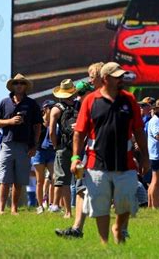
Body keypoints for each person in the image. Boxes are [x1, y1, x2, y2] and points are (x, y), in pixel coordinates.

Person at [71, 62, 149, 244]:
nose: (121, 80)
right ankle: (105, 243)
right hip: (96, 163)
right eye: (117, 77)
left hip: (126, 163)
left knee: (126, 201)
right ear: (106, 79)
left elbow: (138, 130)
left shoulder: (129, 100)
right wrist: (75, 157)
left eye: (122, 76)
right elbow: (79, 132)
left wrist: (145, 158)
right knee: (100, 205)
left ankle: (119, 226)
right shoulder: (91, 100)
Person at [55, 63, 103, 239]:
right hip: (89, 151)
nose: (90, 79)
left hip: (107, 152)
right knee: (81, 187)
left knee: (114, 189)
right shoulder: (90, 100)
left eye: (92, 76)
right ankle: (77, 229)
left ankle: (120, 229)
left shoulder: (110, 98)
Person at [0, 74, 42, 215]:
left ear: (25, 86)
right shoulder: (4, 102)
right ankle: (1, 208)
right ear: (12, 86)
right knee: (4, 178)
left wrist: (35, 145)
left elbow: (37, 126)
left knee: (19, 179)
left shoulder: (31, 104)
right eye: (16, 83)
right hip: (7, 144)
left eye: (21, 83)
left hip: (25, 145)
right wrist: (10, 121)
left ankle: (14, 208)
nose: (19, 85)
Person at [48, 79, 78, 218]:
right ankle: (83, 210)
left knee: (64, 180)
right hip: (79, 147)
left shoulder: (56, 108)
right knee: (81, 179)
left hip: (63, 147)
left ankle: (68, 212)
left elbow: (52, 131)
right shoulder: (81, 106)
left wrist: (55, 145)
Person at [31, 99, 56, 214]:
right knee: (40, 180)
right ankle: (40, 205)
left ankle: (52, 204)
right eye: (51, 108)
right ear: (45, 109)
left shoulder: (55, 121)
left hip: (51, 151)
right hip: (39, 152)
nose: (53, 110)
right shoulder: (38, 122)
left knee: (54, 178)